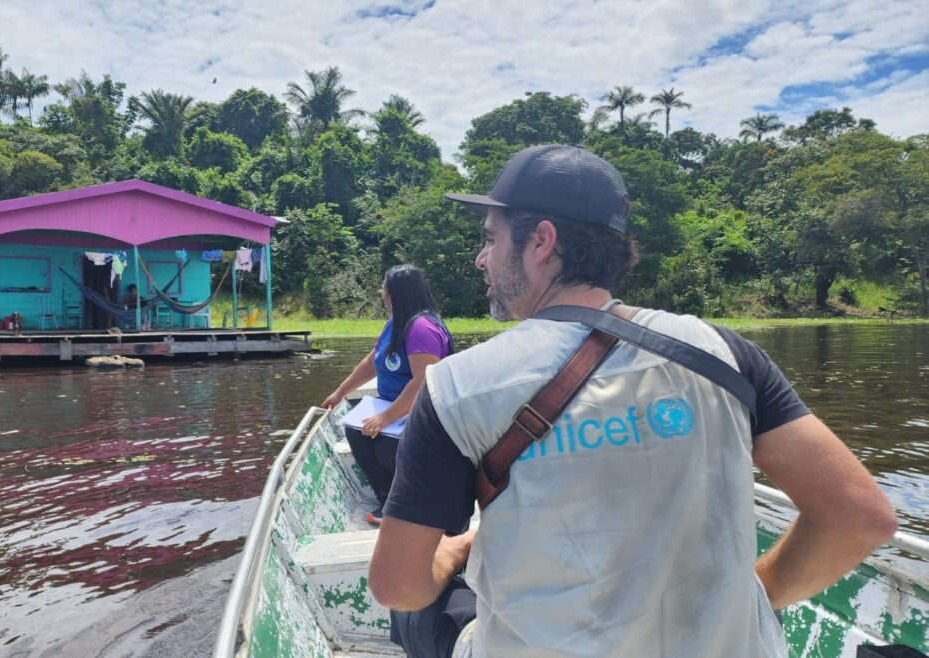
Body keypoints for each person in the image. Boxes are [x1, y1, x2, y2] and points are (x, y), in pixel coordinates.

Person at [367, 145, 897, 658]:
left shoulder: (458, 386)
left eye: (491, 239)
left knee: (414, 611)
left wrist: (457, 551)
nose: (482, 259)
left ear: (541, 241)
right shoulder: (723, 352)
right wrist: (753, 598)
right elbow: (858, 516)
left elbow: (398, 586)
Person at [322, 265, 454, 526]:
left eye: (384, 287)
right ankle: (387, 498)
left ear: (394, 293)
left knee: (385, 446)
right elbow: (372, 362)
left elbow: (422, 382)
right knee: (356, 431)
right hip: (394, 407)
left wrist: (386, 417)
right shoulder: (395, 323)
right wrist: (341, 392)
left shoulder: (421, 329)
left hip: (426, 412)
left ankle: (409, 504)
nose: (381, 292)